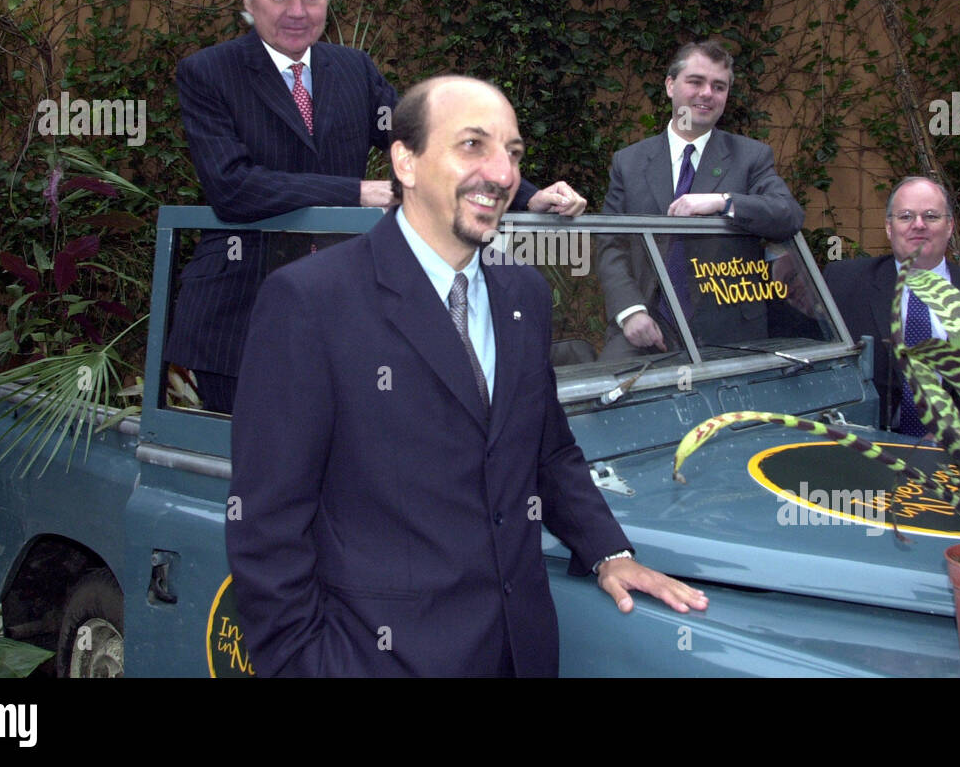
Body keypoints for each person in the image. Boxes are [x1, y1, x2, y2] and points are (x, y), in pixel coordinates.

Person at [226, 76, 708, 677]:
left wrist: (608, 550)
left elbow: (546, 448)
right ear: (405, 160)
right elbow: (267, 523)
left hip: (518, 651)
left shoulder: (524, 295)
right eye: (473, 146)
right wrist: (308, 663)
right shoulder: (311, 302)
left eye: (513, 153)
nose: (503, 174)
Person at [164, 0, 586, 413]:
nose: (297, 10)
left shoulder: (354, 69)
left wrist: (528, 195)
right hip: (240, 313)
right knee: (259, 473)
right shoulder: (207, 72)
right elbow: (231, 187)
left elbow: (428, 144)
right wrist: (356, 192)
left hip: (346, 310)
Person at [597, 40, 804, 358]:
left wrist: (724, 202)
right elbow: (610, 243)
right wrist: (630, 311)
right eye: (696, 82)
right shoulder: (629, 162)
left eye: (718, 86)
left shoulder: (751, 157)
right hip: (646, 329)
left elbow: (788, 214)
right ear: (670, 86)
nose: (707, 93)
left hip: (728, 332)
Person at [821, 176, 960, 435]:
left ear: (950, 226)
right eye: (906, 216)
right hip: (868, 452)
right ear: (889, 227)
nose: (919, 225)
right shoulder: (841, 283)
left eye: (931, 216)